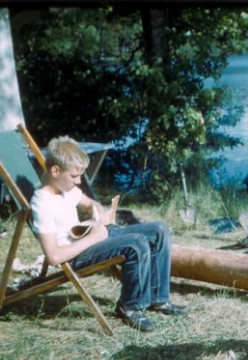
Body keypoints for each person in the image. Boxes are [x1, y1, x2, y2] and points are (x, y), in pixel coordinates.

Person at [30, 136, 188, 332]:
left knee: (159, 230)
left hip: (90, 236)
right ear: (55, 170)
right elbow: (54, 257)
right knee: (136, 243)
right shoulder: (42, 202)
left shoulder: (65, 189)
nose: (79, 181)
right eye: (74, 176)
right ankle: (129, 307)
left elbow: (89, 203)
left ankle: (158, 298)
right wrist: (93, 237)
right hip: (75, 254)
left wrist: (99, 213)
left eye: (80, 175)